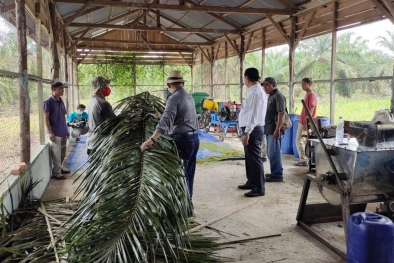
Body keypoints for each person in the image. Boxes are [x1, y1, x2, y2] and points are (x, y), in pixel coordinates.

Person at [140, 70, 199, 214]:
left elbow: (166, 121)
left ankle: (180, 206)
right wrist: (161, 114)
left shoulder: (173, 98)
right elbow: (176, 116)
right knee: (188, 172)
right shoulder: (188, 96)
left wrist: (151, 139)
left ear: (168, 84)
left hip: (182, 139)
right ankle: (187, 204)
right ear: (182, 83)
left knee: (176, 173)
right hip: (194, 138)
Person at [237, 68, 267, 197]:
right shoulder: (253, 91)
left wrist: (247, 132)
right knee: (249, 158)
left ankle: (259, 188)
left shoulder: (256, 92)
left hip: (253, 129)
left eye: (244, 79)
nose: (244, 81)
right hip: (250, 128)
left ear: (247, 79)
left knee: (255, 159)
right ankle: (251, 182)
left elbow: (254, 115)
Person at [43, 82, 71, 180]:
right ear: (54, 89)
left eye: (63, 89)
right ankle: (56, 173)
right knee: (56, 153)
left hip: (63, 131)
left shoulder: (60, 100)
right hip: (55, 132)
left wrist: (66, 130)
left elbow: (63, 116)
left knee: (63, 151)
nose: (62, 90)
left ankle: (61, 168)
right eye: (60, 89)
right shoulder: (48, 102)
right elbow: (46, 118)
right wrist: (50, 132)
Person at [262, 77, 286, 182]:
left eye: (267, 85)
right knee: (270, 152)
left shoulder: (278, 96)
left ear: (273, 85)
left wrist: (278, 129)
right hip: (268, 128)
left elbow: (281, 114)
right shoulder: (271, 96)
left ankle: (277, 175)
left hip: (274, 129)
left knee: (274, 151)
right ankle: (274, 172)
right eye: (264, 85)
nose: (265, 87)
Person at [87, 76, 116, 155]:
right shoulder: (103, 103)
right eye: (106, 86)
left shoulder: (93, 101)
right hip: (100, 144)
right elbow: (115, 123)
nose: (108, 88)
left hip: (92, 142)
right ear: (100, 89)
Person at [295, 77, 317, 166]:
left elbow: (311, 108)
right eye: (302, 84)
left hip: (306, 121)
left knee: (300, 139)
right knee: (303, 140)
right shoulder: (307, 94)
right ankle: (304, 158)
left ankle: (303, 159)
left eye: (304, 84)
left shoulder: (311, 94)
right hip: (304, 120)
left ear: (309, 84)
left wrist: (307, 121)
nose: (302, 86)